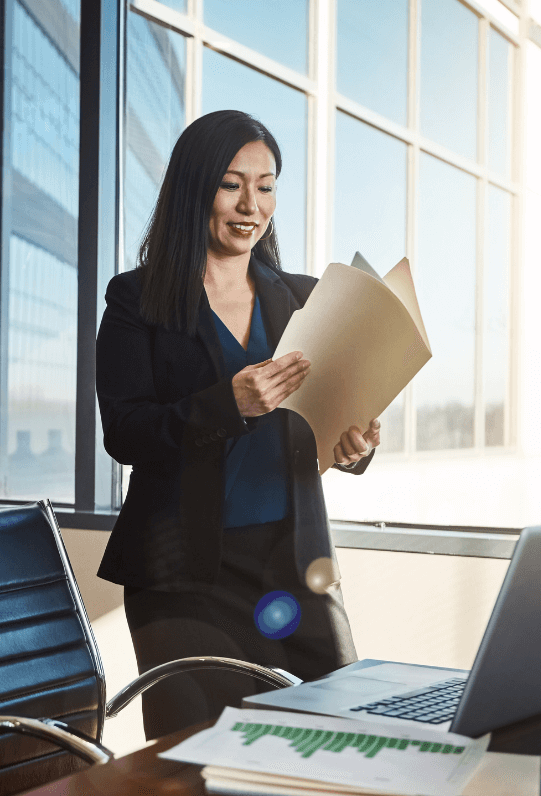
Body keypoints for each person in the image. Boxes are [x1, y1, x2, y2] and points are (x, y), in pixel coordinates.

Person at [95, 109, 381, 739]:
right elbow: (125, 433)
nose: (251, 203)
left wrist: (355, 446)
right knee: (200, 762)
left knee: (339, 740)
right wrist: (228, 405)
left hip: (295, 567)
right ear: (195, 189)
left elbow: (330, 422)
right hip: (184, 579)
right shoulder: (136, 300)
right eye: (232, 184)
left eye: (267, 184)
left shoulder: (306, 299)